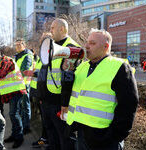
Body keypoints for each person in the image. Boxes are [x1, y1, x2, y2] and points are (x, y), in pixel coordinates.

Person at [66, 28, 139, 150]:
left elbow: (129, 104)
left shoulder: (119, 67)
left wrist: (115, 136)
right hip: (81, 133)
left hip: (105, 139)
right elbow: (71, 91)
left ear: (106, 46)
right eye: (87, 42)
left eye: (92, 43)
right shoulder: (82, 66)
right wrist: (67, 71)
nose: (87, 46)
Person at [37, 18, 81, 150]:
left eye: (52, 28)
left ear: (62, 29)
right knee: (51, 134)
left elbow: (68, 78)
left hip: (59, 104)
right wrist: (40, 97)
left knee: (64, 137)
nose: (50, 31)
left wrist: (65, 104)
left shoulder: (72, 48)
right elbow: (44, 73)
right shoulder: (50, 46)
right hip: (46, 101)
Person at [0, 52, 27, 148]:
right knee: (13, 114)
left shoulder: (7, 61)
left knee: (14, 114)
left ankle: (19, 137)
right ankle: (14, 135)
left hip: (17, 91)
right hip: (12, 92)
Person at [14, 38, 33, 134]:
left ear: (23, 45)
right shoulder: (17, 56)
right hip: (18, 84)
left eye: (19, 44)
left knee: (25, 106)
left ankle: (26, 127)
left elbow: (24, 71)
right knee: (21, 107)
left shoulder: (27, 56)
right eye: (16, 44)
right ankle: (22, 124)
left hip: (25, 85)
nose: (16, 46)